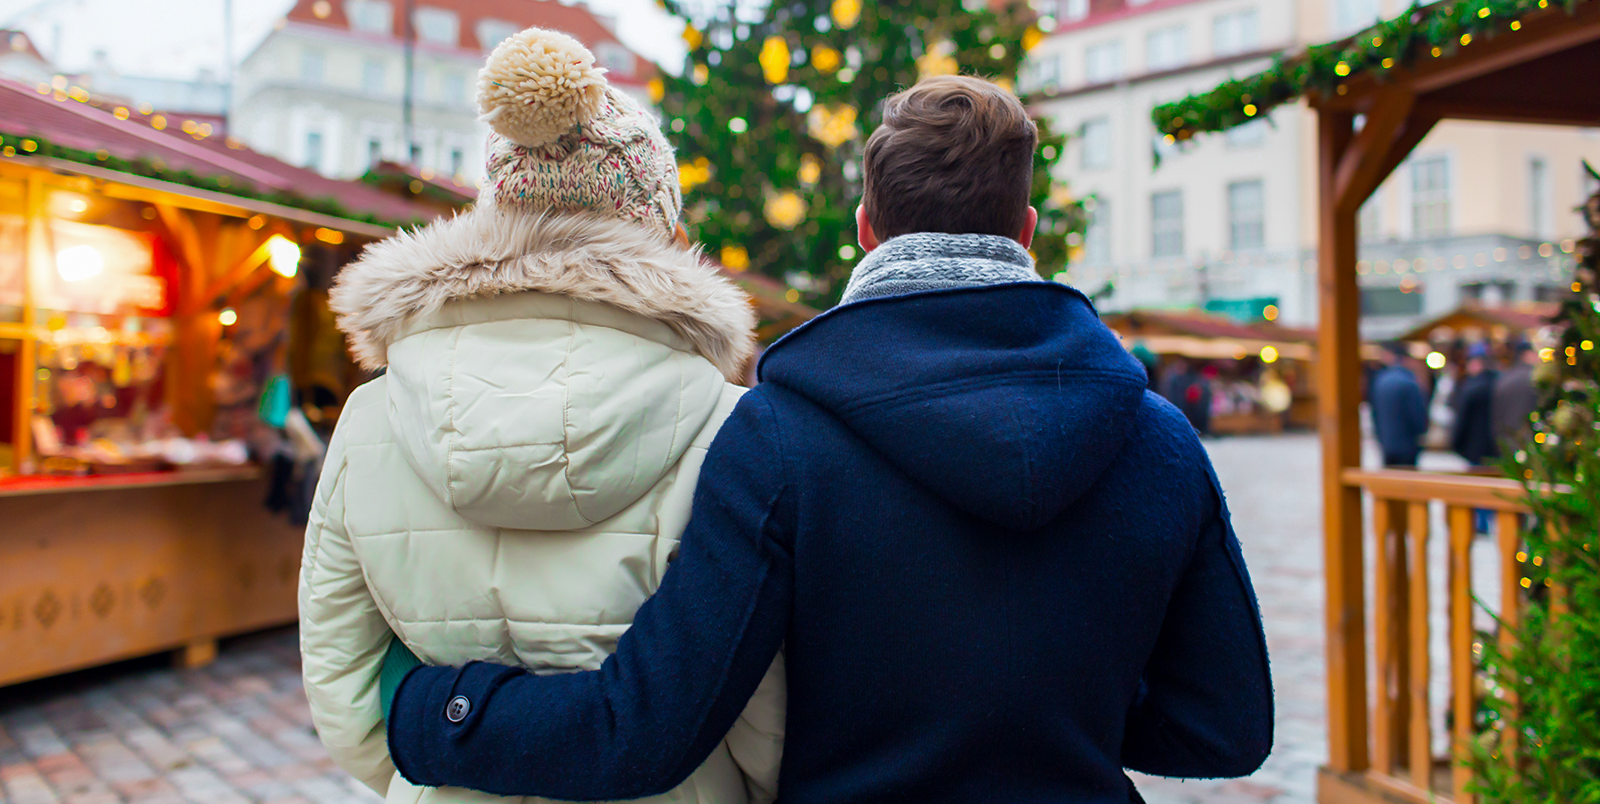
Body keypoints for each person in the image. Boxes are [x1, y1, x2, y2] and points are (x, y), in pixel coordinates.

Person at [375, 74, 1273, 802]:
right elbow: (1226, 727)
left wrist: (432, 708)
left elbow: (642, 731)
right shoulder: (1158, 440)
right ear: (1027, 233)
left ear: (866, 231)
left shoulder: (780, 439)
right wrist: (1067, 709)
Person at [297, 29, 784, 804]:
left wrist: (439, 767)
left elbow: (340, 674)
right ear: (654, 225)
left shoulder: (371, 416)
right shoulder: (731, 423)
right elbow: (760, 696)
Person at [1369, 342, 1429, 467]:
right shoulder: (1409, 382)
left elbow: (1374, 413)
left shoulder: (1380, 380)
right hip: (1407, 444)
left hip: (1386, 442)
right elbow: (1417, 416)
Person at [1451, 342, 1500, 466]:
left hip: (1474, 447)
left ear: (1476, 363)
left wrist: (1456, 443)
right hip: (1498, 446)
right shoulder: (1499, 383)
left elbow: (1462, 419)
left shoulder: (1472, 388)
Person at [1491, 339, 1540, 448]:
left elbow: (1497, 413)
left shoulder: (1505, 378)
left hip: (1507, 438)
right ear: (1527, 354)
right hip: (1530, 439)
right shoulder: (1534, 378)